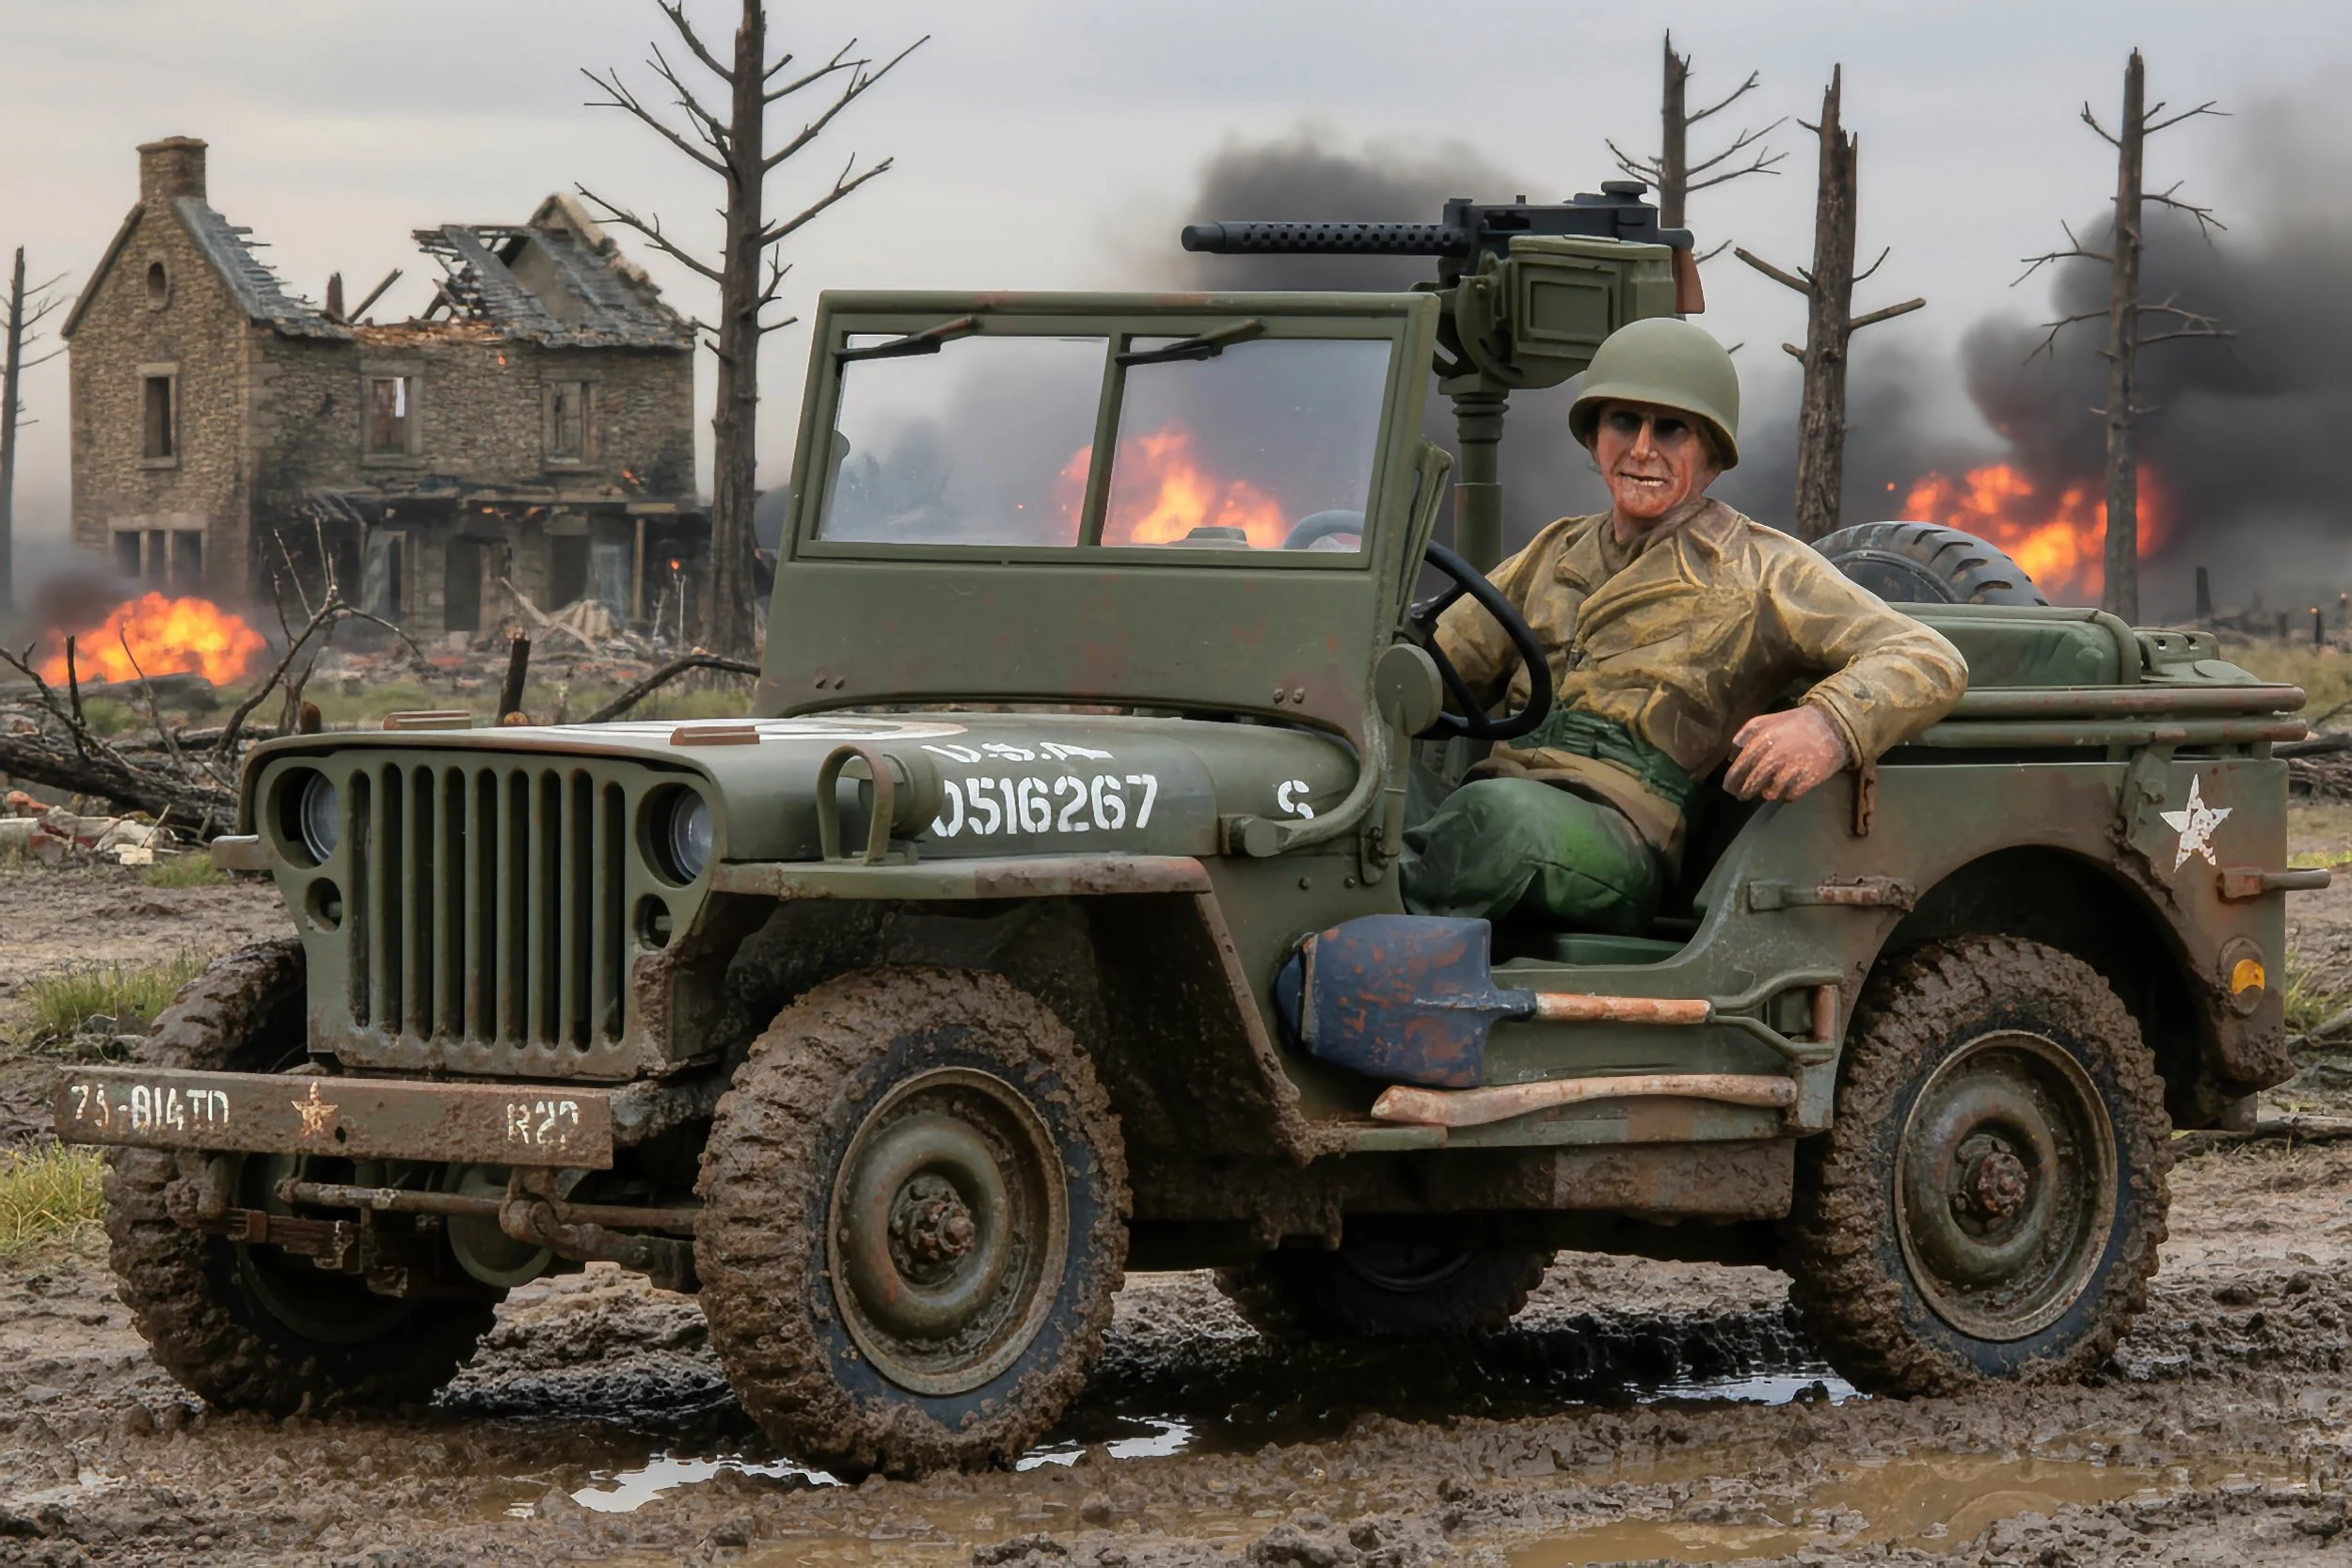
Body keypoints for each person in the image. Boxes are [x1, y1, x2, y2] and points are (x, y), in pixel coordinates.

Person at [1400, 316, 1968, 933]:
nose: (1643, 449)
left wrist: (1827, 722)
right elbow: (1438, 665)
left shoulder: (1761, 568)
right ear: (1595, 438)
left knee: (1495, 823)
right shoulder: (1554, 551)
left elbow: (1927, 657)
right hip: (1495, 793)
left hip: (1616, 830)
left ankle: (1358, 961)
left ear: (1710, 454)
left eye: (1671, 429)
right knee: (1327, 779)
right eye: (1624, 422)